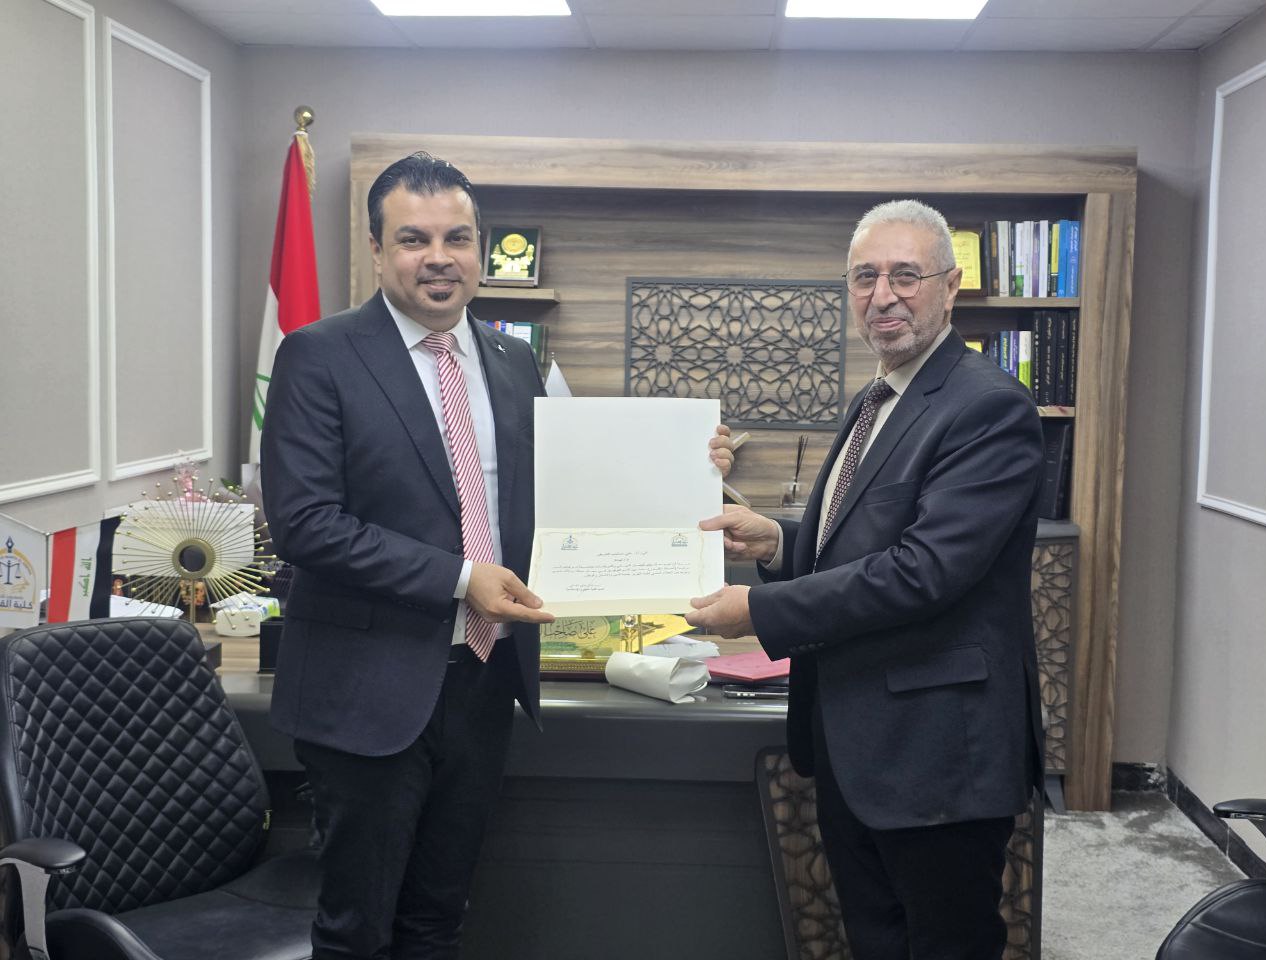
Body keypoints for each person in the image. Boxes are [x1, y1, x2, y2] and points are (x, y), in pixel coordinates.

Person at [261, 152, 734, 960]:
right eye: (413, 239)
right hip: (367, 694)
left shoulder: (513, 362)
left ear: (481, 250)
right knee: (355, 932)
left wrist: (687, 468)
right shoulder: (319, 355)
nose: (438, 257)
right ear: (376, 250)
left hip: (483, 685)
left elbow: (557, 499)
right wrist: (459, 579)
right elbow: (307, 524)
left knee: (438, 921)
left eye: (458, 238)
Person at [687, 199, 1044, 960]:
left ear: (950, 287)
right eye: (865, 277)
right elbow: (859, 545)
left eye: (905, 275)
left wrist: (761, 609)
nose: (883, 295)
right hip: (857, 742)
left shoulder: (988, 407)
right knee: (878, 939)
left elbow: (923, 572)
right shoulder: (877, 397)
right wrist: (779, 543)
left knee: (945, 945)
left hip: (938, 753)